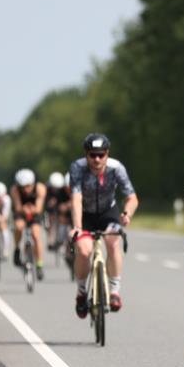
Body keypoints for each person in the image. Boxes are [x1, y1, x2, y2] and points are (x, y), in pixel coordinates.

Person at [68, 133, 139, 317]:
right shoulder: (77, 167)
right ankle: (82, 292)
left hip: (109, 212)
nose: (97, 159)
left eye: (101, 154)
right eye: (92, 155)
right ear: (86, 154)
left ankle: (114, 290)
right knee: (84, 250)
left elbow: (131, 197)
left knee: (114, 242)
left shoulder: (116, 168)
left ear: (107, 153)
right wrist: (77, 226)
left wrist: (127, 214)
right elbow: (76, 198)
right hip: (85, 215)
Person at [11, 168, 47, 280]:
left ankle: (39, 264)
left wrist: (32, 209)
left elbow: (39, 207)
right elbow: (17, 206)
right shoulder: (15, 190)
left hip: (35, 212)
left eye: (28, 186)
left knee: (36, 234)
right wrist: (24, 209)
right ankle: (17, 248)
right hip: (21, 212)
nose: (25, 190)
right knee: (19, 227)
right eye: (22, 187)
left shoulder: (40, 188)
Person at [45, 172, 72, 252]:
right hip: (59, 213)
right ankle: (58, 239)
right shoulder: (59, 191)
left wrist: (68, 205)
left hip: (72, 212)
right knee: (56, 219)